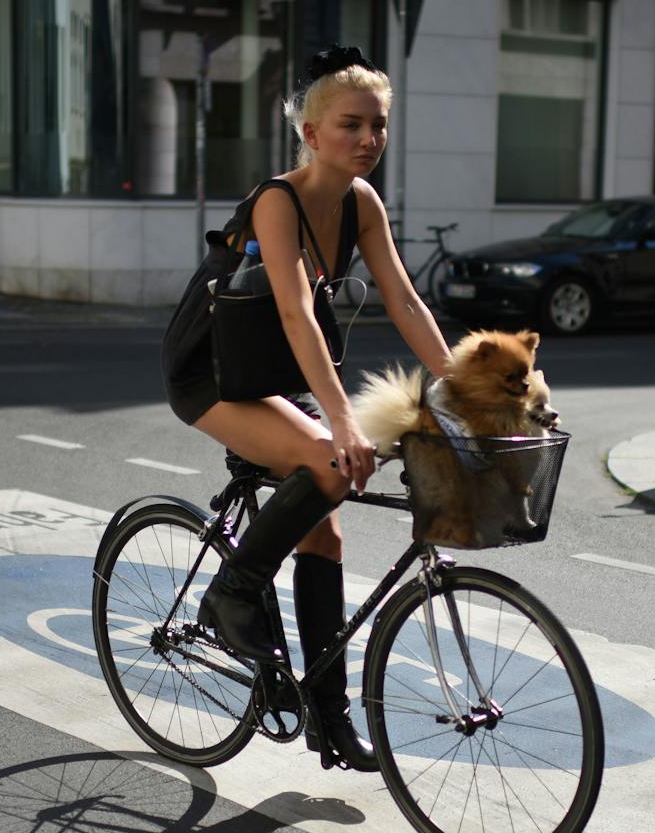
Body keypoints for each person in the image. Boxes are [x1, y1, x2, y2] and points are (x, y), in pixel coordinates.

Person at [161, 46, 451, 773]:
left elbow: (406, 301)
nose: (368, 138)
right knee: (331, 460)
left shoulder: (362, 204)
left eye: (379, 125)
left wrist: (461, 386)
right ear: (311, 133)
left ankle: (329, 717)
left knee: (326, 541)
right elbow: (295, 313)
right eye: (351, 124)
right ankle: (232, 593)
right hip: (214, 373)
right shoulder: (276, 200)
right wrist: (344, 423)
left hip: (277, 372)